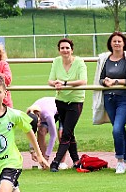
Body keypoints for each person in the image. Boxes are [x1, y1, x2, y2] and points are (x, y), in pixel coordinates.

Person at [93, 31, 126, 174]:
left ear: (124, 43)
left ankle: (120, 160)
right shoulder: (104, 59)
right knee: (120, 129)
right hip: (109, 99)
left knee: (116, 129)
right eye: (114, 41)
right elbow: (100, 78)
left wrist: (115, 81)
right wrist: (105, 82)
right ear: (110, 43)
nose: (116, 43)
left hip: (124, 100)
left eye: (119, 41)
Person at [48, 38, 87, 172]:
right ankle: (76, 161)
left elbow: (83, 81)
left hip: (75, 100)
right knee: (70, 133)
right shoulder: (56, 61)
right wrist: (56, 84)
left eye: (67, 48)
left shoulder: (79, 62)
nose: (65, 50)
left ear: (72, 49)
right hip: (61, 100)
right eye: (62, 48)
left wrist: (64, 83)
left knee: (66, 133)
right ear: (59, 50)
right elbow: (51, 80)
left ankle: (56, 162)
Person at [26, 97, 68, 169]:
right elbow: (31, 133)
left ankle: (61, 162)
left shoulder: (47, 115)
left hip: (62, 109)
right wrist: (32, 151)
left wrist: (47, 156)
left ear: (39, 118)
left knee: (62, 134)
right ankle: (43, 162)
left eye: (38, 123)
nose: (38, 125)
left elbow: (53, 136)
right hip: (46, 109)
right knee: (41, 132)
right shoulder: (29, 114)